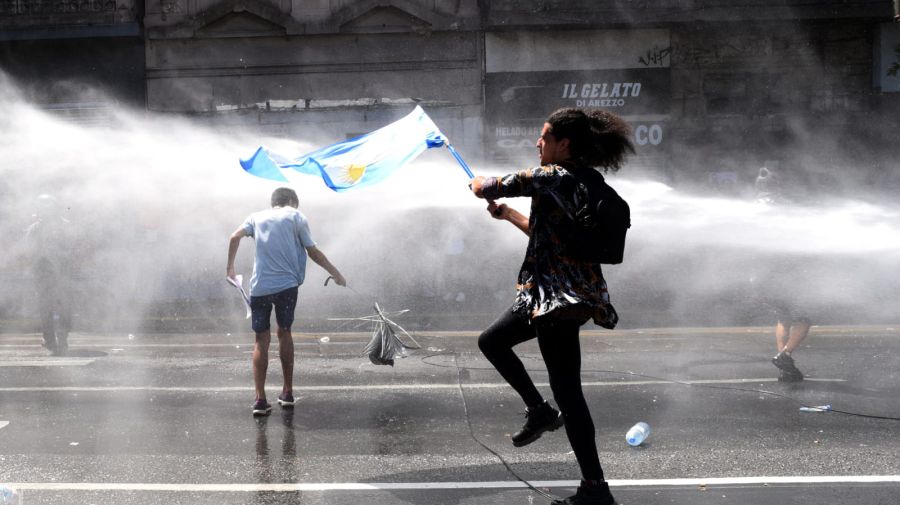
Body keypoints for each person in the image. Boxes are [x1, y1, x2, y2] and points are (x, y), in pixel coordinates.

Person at [469, 108, 633, 505]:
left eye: (544, 137)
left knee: (569, 394)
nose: (538, 143)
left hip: (554, 303)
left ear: (565, 144)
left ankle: (596, 489)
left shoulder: (550, 177)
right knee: (491, 342)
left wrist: (478, 184)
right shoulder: (586, 182)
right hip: (551, 298)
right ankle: (539, 411)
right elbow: (549, 236)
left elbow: (487, 185)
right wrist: (507, 213)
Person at [227, 187, 346, 416]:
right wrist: (335, 273)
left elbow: (234, 237)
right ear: (291, 201)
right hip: (287, 288)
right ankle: (288, 392)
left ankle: (260, 400)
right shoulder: (296, 216)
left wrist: (230, 268)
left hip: (260, 287)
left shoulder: (255, 217)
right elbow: (313, 252)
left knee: (261, 339)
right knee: (285, 332)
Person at [24, 194, 75, 356]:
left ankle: (55, 338)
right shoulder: (39, 228)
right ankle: (56, 338)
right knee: (56, 307)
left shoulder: (37, 228)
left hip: (52, 274)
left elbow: (29, 252)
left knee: (51, 307)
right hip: (49, 274)